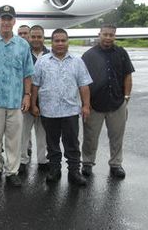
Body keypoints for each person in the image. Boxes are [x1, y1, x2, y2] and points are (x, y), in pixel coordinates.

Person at [0, 5, 34, 187]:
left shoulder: (23, 45)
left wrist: (27, 95)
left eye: (10, 19)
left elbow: (27, 74)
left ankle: (12, 171)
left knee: (14, 140)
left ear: (14, 21)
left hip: (15, 101)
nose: (6, 22)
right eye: (3, 18)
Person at [32, 28, 92, 186]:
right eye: (56, 40)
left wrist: (86, 106)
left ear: (68, 42)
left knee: (72, 144)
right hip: (48, 112)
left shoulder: (77, 61)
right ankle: (54, 170)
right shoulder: (42, 61)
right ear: (51, 42)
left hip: (71, 111)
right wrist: (33, 105)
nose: (60, 43)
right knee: (52, 144)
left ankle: (74, 173)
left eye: (63, 40)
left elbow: (84, 86)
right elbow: (35, 85)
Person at [81, 24, 135, 179]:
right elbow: (82, 81)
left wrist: (126, 97)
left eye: (111, 35)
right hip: (94, 104)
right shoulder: (88, 55)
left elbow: (127, 76)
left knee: (117, 137)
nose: (108, 38)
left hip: (117, 103)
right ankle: (87, 163)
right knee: (90, 136)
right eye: (105, 34)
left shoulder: (122, 53)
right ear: (99, 34)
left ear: (115, 36)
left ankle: (116, 164)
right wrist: (85, 102)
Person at [20, 25, 50, 174]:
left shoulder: (50, 55)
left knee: (43, 134)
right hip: (25, 101)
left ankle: (43, 160)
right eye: (33, 37)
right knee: (23, 133)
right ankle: (22, 160)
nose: (36, 40)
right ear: (29, 37)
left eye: (39, 37)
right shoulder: (22, 54)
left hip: (45, 103)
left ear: (44, 38)